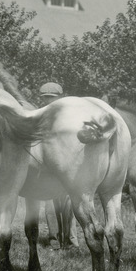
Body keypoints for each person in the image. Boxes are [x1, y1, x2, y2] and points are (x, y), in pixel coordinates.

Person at [38, 82, 79, 250]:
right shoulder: (40, 117)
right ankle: (54, 240)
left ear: (61, 97)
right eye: (46, 98)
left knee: (69, 204)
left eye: (52, 98)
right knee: (50, 205)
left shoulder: (70, 116)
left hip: (67, 166)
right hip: (47, 167)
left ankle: (70, 241)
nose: (48, 101)